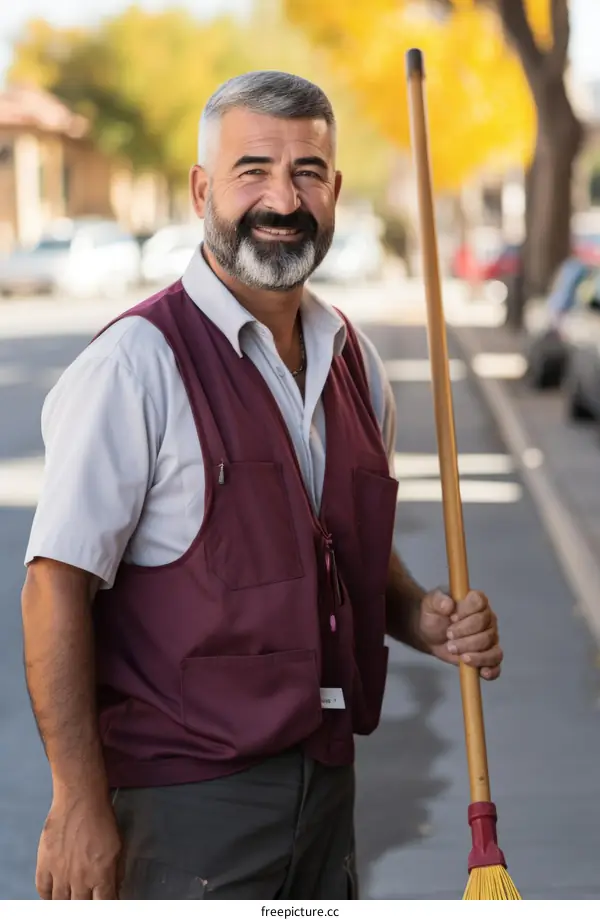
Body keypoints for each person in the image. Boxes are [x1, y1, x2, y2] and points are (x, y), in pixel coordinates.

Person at [21, 71, 503, 901]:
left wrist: (420, 615)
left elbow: (341, 546)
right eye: (253, 171)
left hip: (327, 799)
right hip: (184, 811)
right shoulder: (135, 364)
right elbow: (53, 587)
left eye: (307, 172)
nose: (283, 199)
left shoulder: (354, 359)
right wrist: (76, 802)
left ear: (335, 192)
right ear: (202, 190)